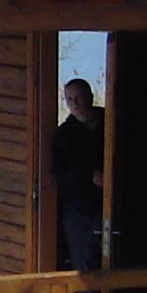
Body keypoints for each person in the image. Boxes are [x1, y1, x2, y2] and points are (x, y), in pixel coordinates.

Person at [52, 77, 105, 273]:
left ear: (90, 97)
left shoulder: (111, 123)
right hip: (80, 211)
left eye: (78, 98)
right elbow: (59, 173)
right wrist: (88, 176)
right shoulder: (64, 135)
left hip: (112, 205)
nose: (74, 104)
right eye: (69, 99)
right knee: (85, 265)